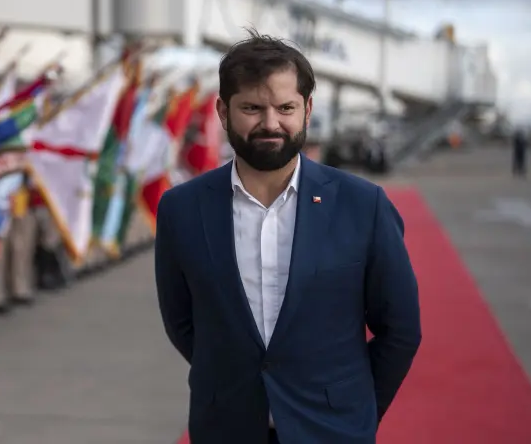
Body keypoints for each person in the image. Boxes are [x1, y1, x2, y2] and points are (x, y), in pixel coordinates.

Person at [154, 31, 421, 444]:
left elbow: (400, 328)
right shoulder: (181, 210)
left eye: (285, 108)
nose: (270, 123)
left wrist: (358, 412)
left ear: (307, 110)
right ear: (223, 111)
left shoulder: (363, 205)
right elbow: (182, 323)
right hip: (225, 429)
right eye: (252, 108)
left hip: (333, 432)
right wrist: (236, 377)